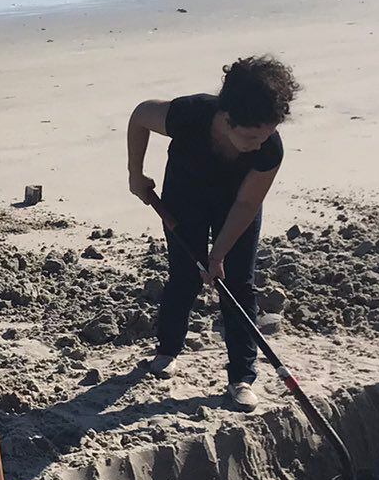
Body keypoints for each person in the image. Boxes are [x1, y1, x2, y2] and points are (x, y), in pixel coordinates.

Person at [125, 55, 297, 408]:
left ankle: (241, 376)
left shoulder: (269, 149)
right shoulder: (190, 114)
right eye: (250, 137)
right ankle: (168, 349)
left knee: (237, 283)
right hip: (184, 196)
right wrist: (135, 174)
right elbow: (140, 115)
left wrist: (217, 254)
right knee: (184, 275)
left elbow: (246, 206)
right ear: (227, 118)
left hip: (235, 204)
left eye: (265, 136)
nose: (258, 145)